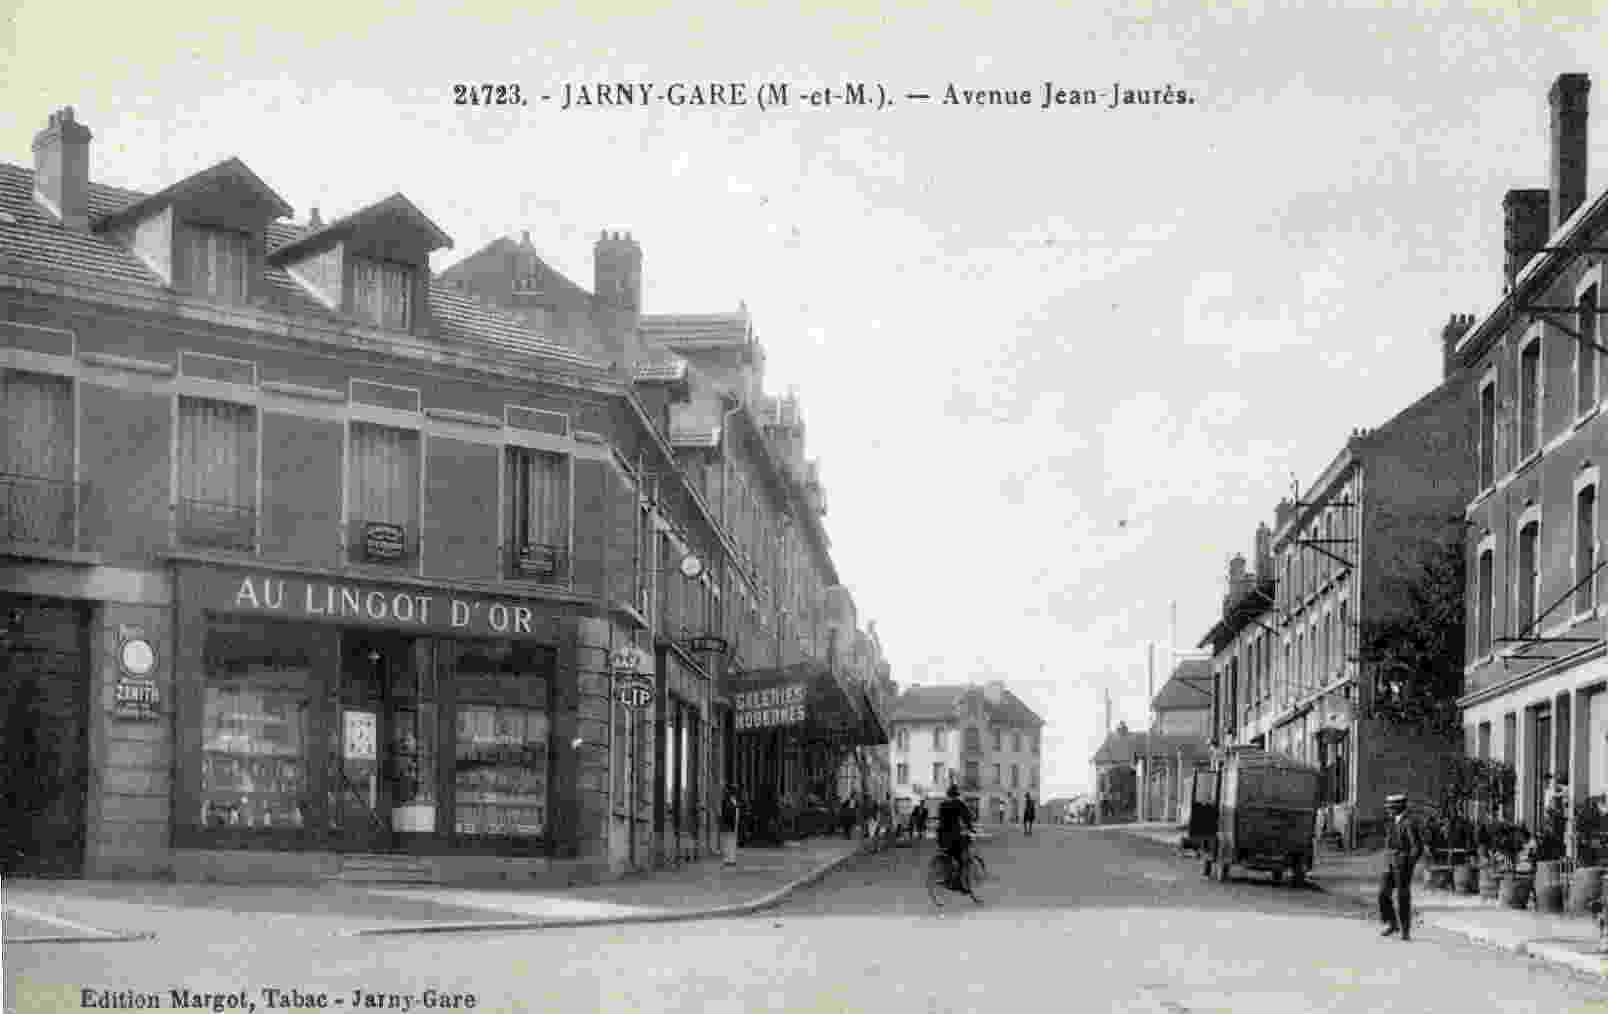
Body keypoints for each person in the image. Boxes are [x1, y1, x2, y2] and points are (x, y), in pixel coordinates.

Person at [1379, 793, 1423, 941]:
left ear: (1399, 807)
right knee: (1383, 893)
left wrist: (1409, 864)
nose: (1388, 810)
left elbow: (1417, 847)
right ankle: (1392, 923)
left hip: (1402, 864)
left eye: (1391, 807)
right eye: (1388, 807)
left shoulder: (1409, 822)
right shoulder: (1391, 821)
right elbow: (1388, 842)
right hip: (1390, 863)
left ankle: (1405, 930)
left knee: (1402, 897)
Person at [936, 784, 976, 891]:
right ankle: (957, 883)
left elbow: (940, 820)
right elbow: (967, 817)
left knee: (948, 856)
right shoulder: (958, 803)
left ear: (948, 794)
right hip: (953, 836)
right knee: (961, 860)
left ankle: (946, 877)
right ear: (956, 794)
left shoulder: (942, 804)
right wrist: (971, 828)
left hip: (941, 837)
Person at [719, 785, 740, 866]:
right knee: (728, 841)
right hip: (729, 824)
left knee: (731, 842)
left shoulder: (734, 800)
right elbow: (726, 813)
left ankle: (731, 859)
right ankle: (728, 859)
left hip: (733, 824)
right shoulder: (727, 801)